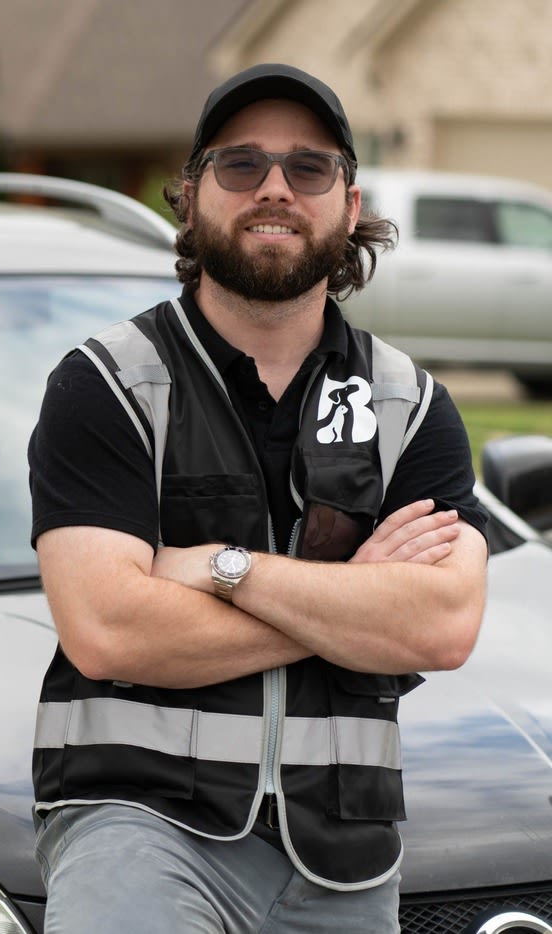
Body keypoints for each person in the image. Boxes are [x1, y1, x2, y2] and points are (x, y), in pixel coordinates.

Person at [27, 63, 489, 933]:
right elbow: (108, 629)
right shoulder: (109, 385)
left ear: (349, 205)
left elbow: (440, 627)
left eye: (308, 168)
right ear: (192, 196)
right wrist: (355, 601)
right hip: (140, 827)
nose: (275, 187)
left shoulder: (410, 405)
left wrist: (222, 569)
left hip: (344, 858)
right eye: (241, 166)